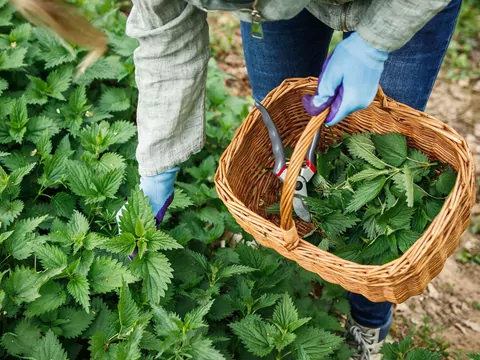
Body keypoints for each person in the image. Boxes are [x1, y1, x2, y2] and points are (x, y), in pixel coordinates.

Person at [11, 0, 462, 359]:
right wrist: (157, 165)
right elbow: (166, 34)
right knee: (281, 146)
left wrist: (375, 42)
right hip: (278, 8)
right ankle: (288, 267)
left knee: (393, 154)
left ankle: (368, 319)